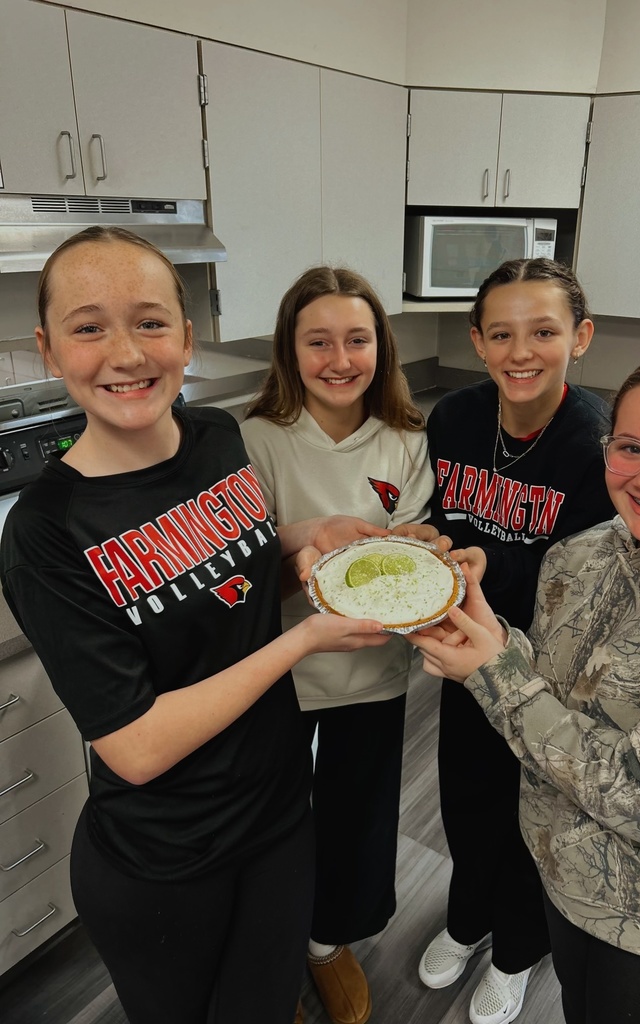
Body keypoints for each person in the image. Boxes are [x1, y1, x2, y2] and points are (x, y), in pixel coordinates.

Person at [0, 228, 396, 1024]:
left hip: (281, 810)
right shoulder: (47, 533)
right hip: (167, 857)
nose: (126, 352)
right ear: (48, 349)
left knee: (264, 1003)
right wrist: (307, 637)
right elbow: (136, 747)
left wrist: (310, 539)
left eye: (149, 322)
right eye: (88, 327)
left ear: (186, 338)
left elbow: (235, 576)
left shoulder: (218, 437)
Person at [410, 350, 640, 1024]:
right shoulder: (588, 551)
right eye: (630, 447)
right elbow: (559, 686)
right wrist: (491, 637)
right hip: (566, 873)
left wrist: (490, 674)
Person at [419, 258, 616, 1024]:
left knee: (534, 818)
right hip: (466, 646)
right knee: (467, 799)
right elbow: (453, 519)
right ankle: (469, 921)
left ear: (581, 336)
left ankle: (515, 950)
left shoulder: (593, 442)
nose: (521, 351)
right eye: (501, 333)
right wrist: (430, 544)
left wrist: (487, 560)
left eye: (543, 330)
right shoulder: (455, 420)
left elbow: (585, 584)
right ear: (476, 341)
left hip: (550, 672)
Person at [241, 265, 436, 1024]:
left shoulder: (404, 440)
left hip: (371, 670)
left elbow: (411, 550)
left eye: (358, 339)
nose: (340, 358)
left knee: (358, 815)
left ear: (381, 348)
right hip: (280, 672)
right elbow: (241, 572)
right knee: (272, 819)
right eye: (317, 340)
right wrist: (301, 564)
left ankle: (327, 942)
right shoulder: (254, 441)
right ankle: (270, 952)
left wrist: (420, 549)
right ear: (290, 351)